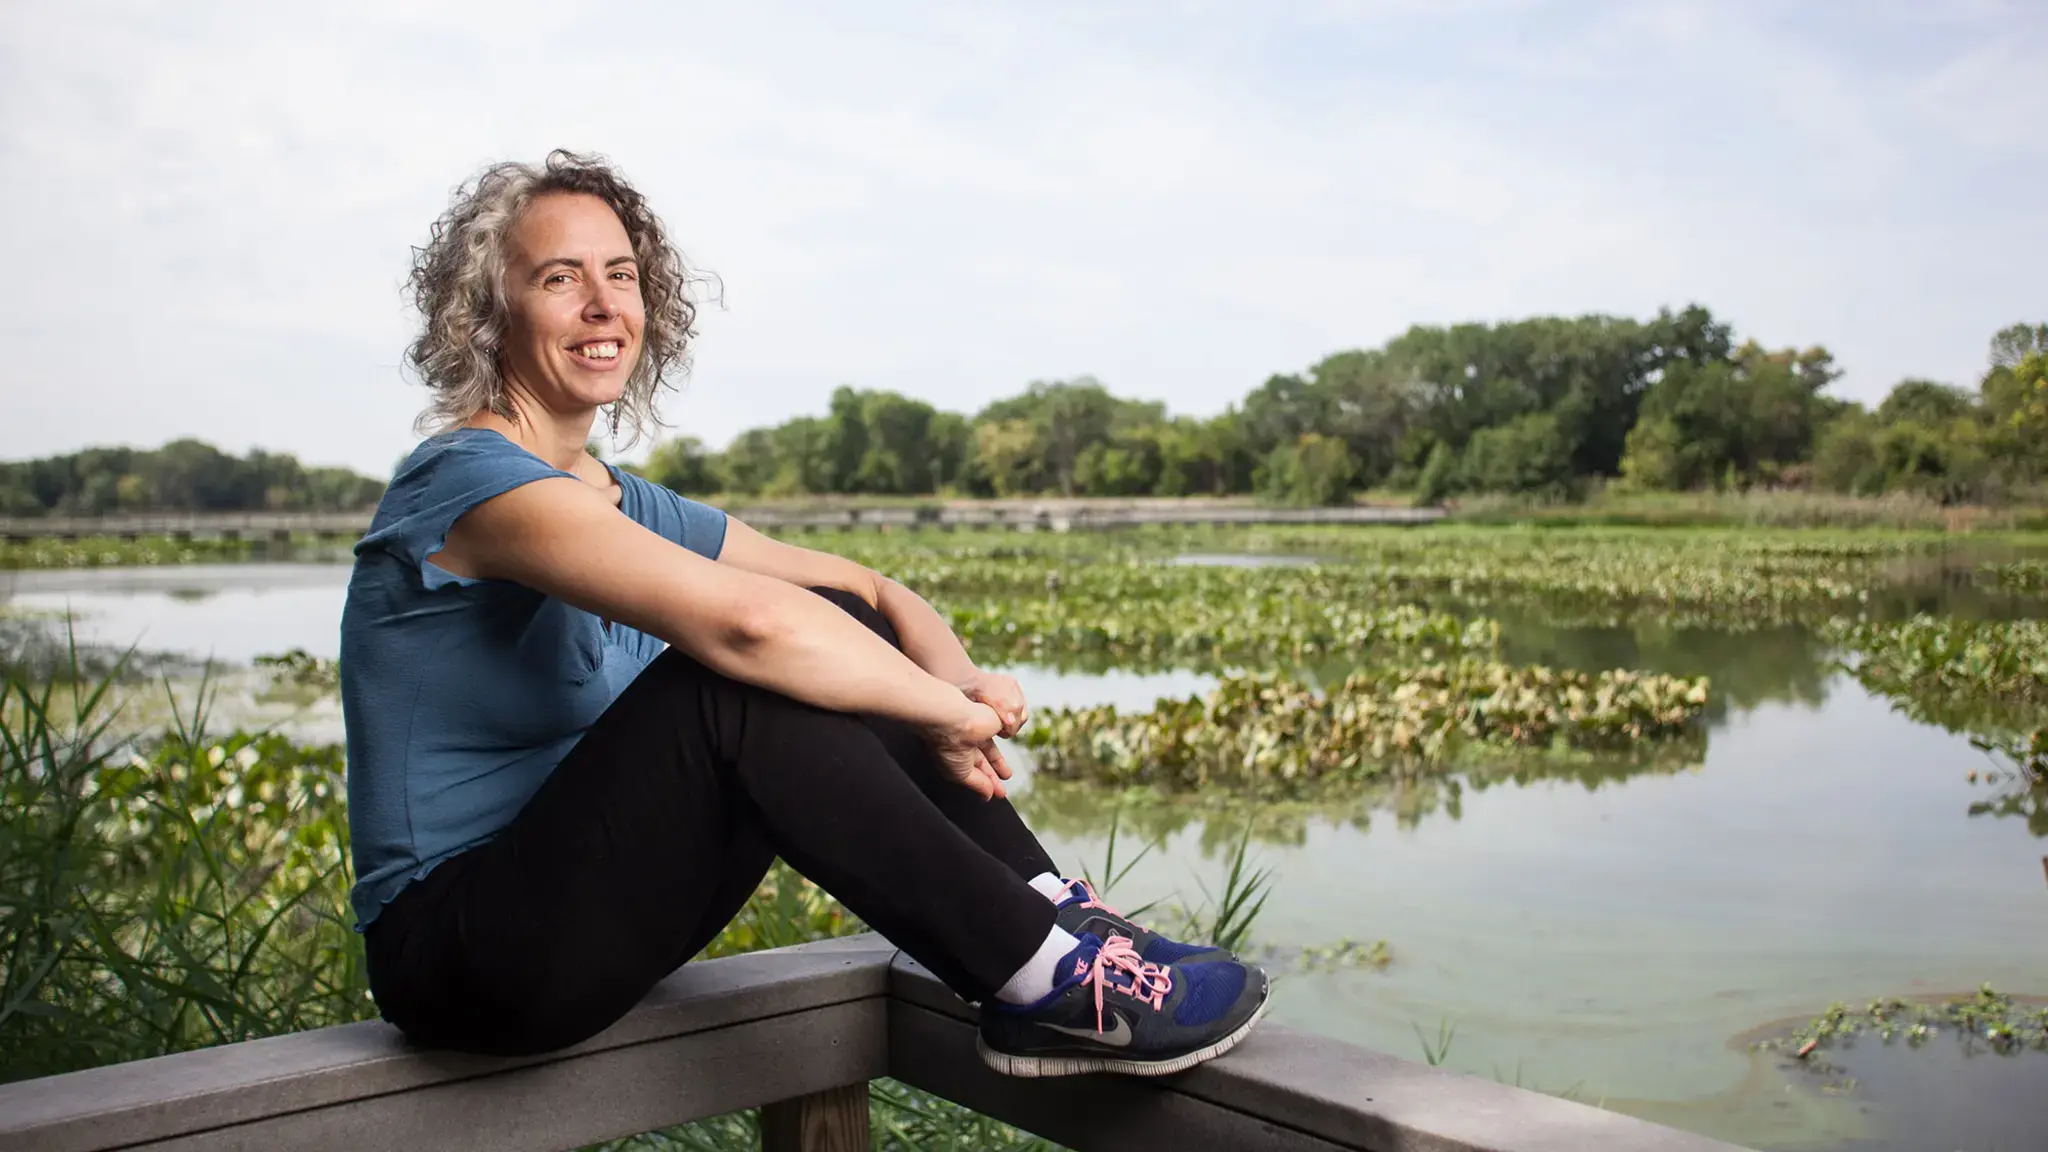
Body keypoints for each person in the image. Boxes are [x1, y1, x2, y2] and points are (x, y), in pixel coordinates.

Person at [340, 149, 1270, 1078]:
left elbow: (868, 594)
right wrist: (942, 715)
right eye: (559, 278)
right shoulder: (469, 483)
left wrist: (955, 678)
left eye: (620, 275)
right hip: (460, 956)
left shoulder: (612, 496)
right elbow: (749, 627)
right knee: (736, 682)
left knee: (822, 621)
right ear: (489, 311)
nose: (603, 305)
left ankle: (1060, 927)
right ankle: (1040, 981)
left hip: (586, 916)